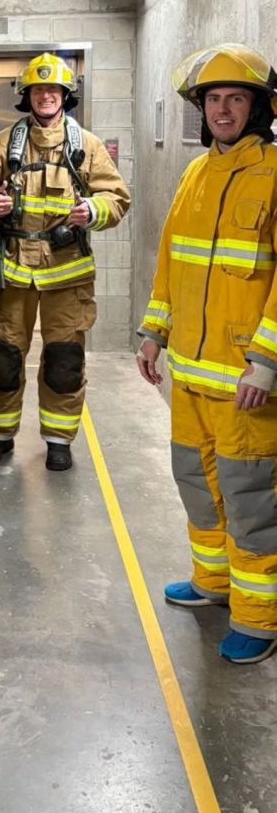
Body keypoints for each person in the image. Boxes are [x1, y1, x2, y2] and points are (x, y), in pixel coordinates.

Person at [137, 43, 277, 665]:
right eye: (213, 99)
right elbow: (172, 262)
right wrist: (152, 333)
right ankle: (213, 583)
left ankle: (260, 616)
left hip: (247, 380)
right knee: (197, 482)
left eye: (235, 98)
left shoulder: (274, 171)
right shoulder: (196, 174)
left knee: (251, 500)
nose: (223, 109)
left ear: (258, 107)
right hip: (189, 375)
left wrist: (268, 361)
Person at [0, 53, 130, 472]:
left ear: (66, 95)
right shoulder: (5, 143)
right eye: (39, 89)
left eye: (54, 89)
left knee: (64, 360)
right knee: (3, 357)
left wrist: (92, 211)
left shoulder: (89, 147)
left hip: (67, 276)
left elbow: (117, 199)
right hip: (13, 273)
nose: (46, 96)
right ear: (27, 96)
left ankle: (58, 439)